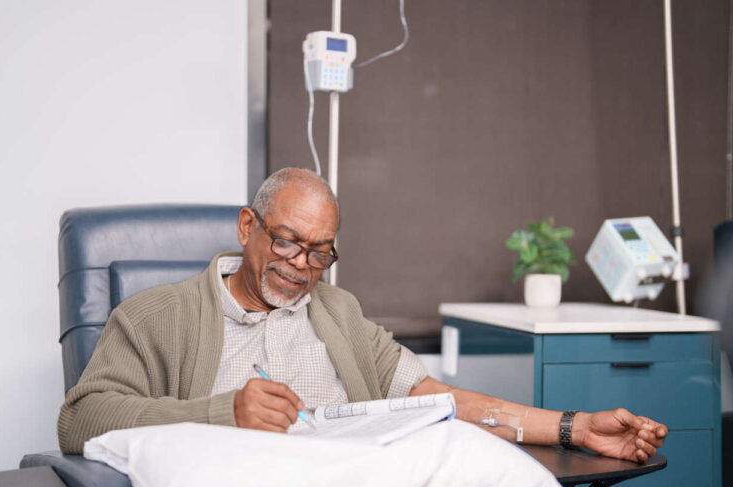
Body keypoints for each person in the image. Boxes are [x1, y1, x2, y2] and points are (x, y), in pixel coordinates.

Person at [58, 167, 667, 462]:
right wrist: (223, 412)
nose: (301, 265)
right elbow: (81, 421)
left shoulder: (338, 313)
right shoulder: (154, 316)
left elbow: (440, 402)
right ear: (248, 228)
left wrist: (576, 426)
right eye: (287, 241)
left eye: (320, 252)